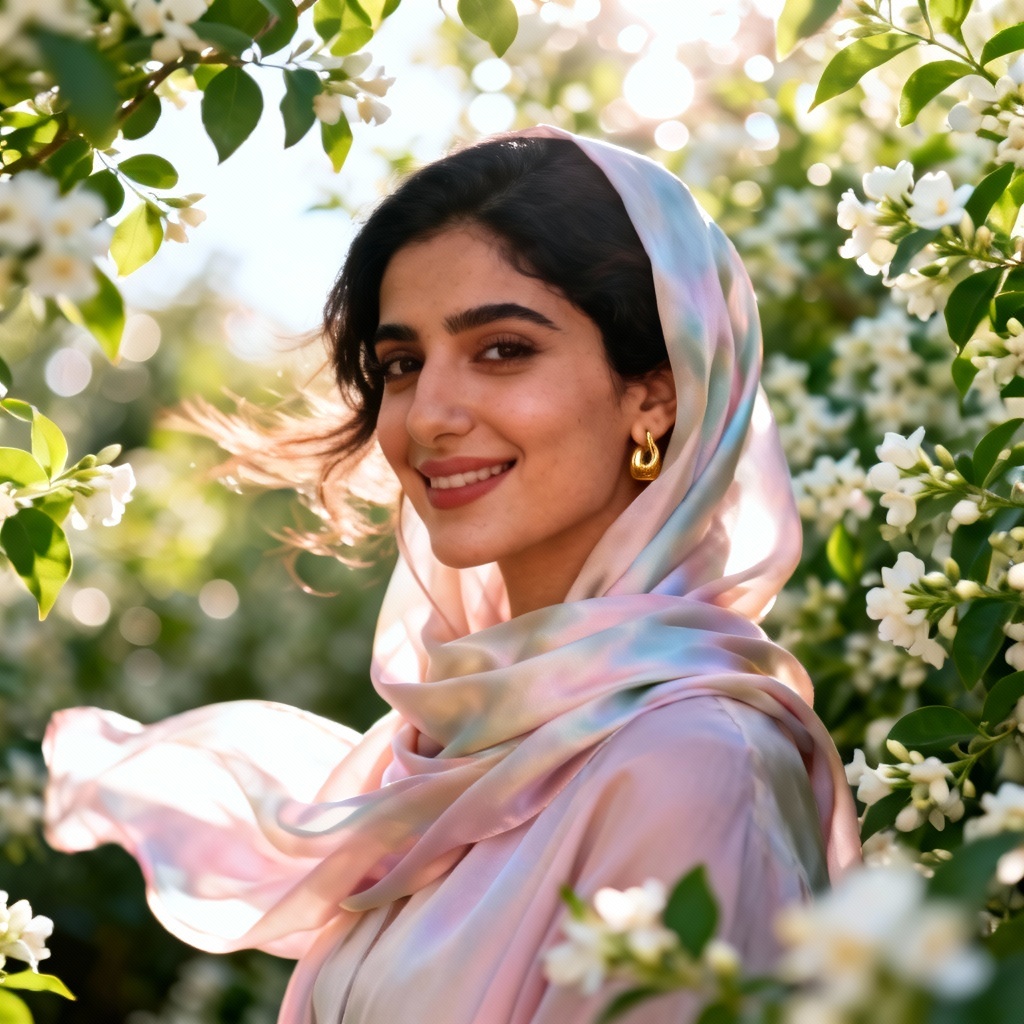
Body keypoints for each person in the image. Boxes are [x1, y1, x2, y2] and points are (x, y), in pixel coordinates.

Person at [44, 125, 861, 1023]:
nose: (427, 414)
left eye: (503, 349)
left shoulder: (690, 760)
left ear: (656, 393)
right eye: (402, 364)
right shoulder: (453, 754)